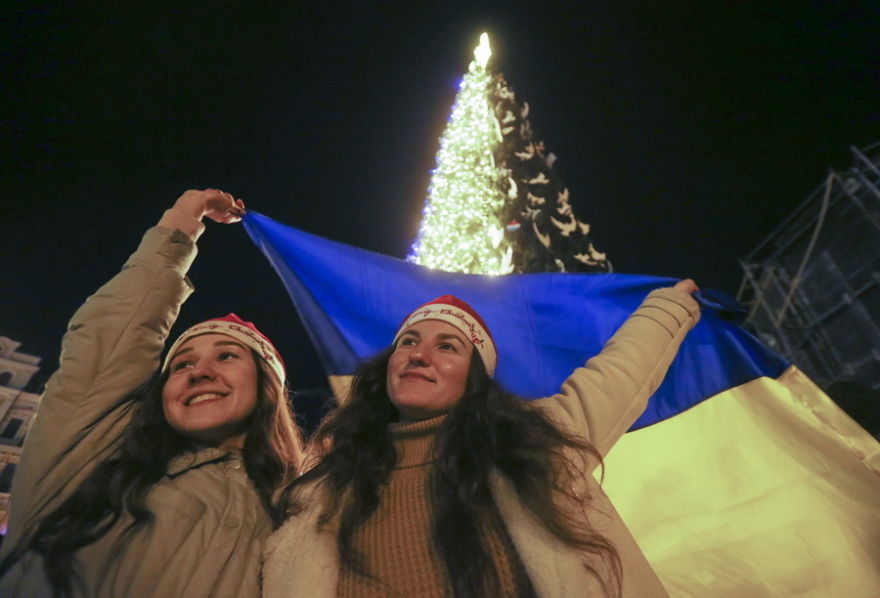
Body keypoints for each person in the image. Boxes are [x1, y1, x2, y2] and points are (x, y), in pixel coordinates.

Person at [264, 282, 700, 597]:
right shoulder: (323, 487)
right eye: (408, 341)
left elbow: (621, 372)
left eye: (448, 346)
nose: (418, 353)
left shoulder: (534, 444)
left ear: (476, 379)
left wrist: (670, 304)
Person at [0, 190, 303, 598]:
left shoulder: (295, 506)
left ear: (268, 386)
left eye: (227, 355)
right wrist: (181, 222)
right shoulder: (92, 454)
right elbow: (110, 338)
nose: (200, 372)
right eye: (181, 365)